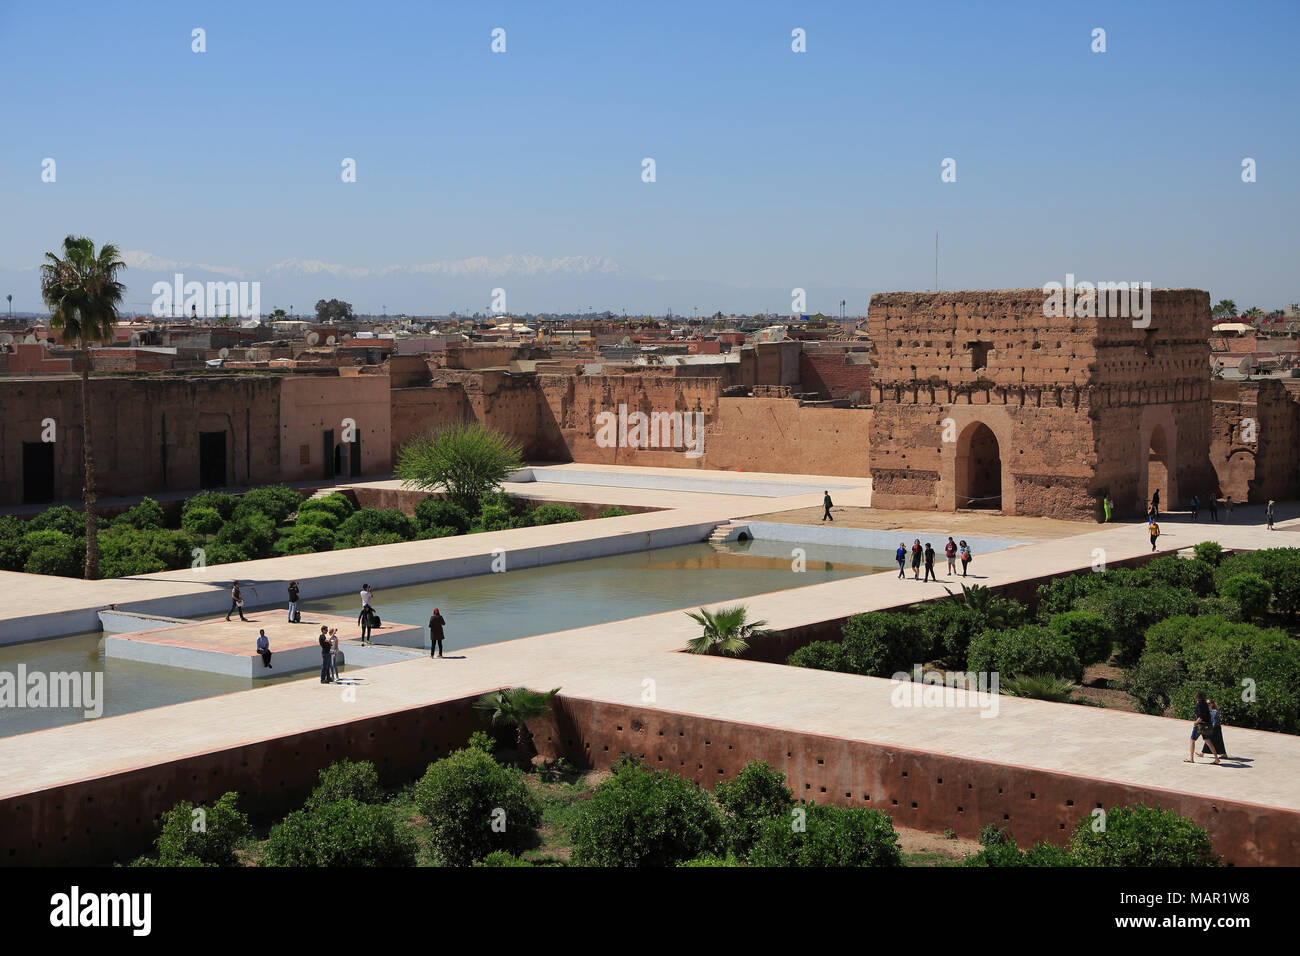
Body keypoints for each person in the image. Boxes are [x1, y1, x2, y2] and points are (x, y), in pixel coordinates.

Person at [1187, 691, 1221, 764]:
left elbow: (1201, 716)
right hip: (1207, 725)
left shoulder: (1199, 704)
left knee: (1192, 740)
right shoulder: (1205, 703)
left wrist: (1196, 722)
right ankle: (1216, 759)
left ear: (1197, 697)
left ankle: (1191, 758)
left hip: (1200, 725)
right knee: (1208, 741)